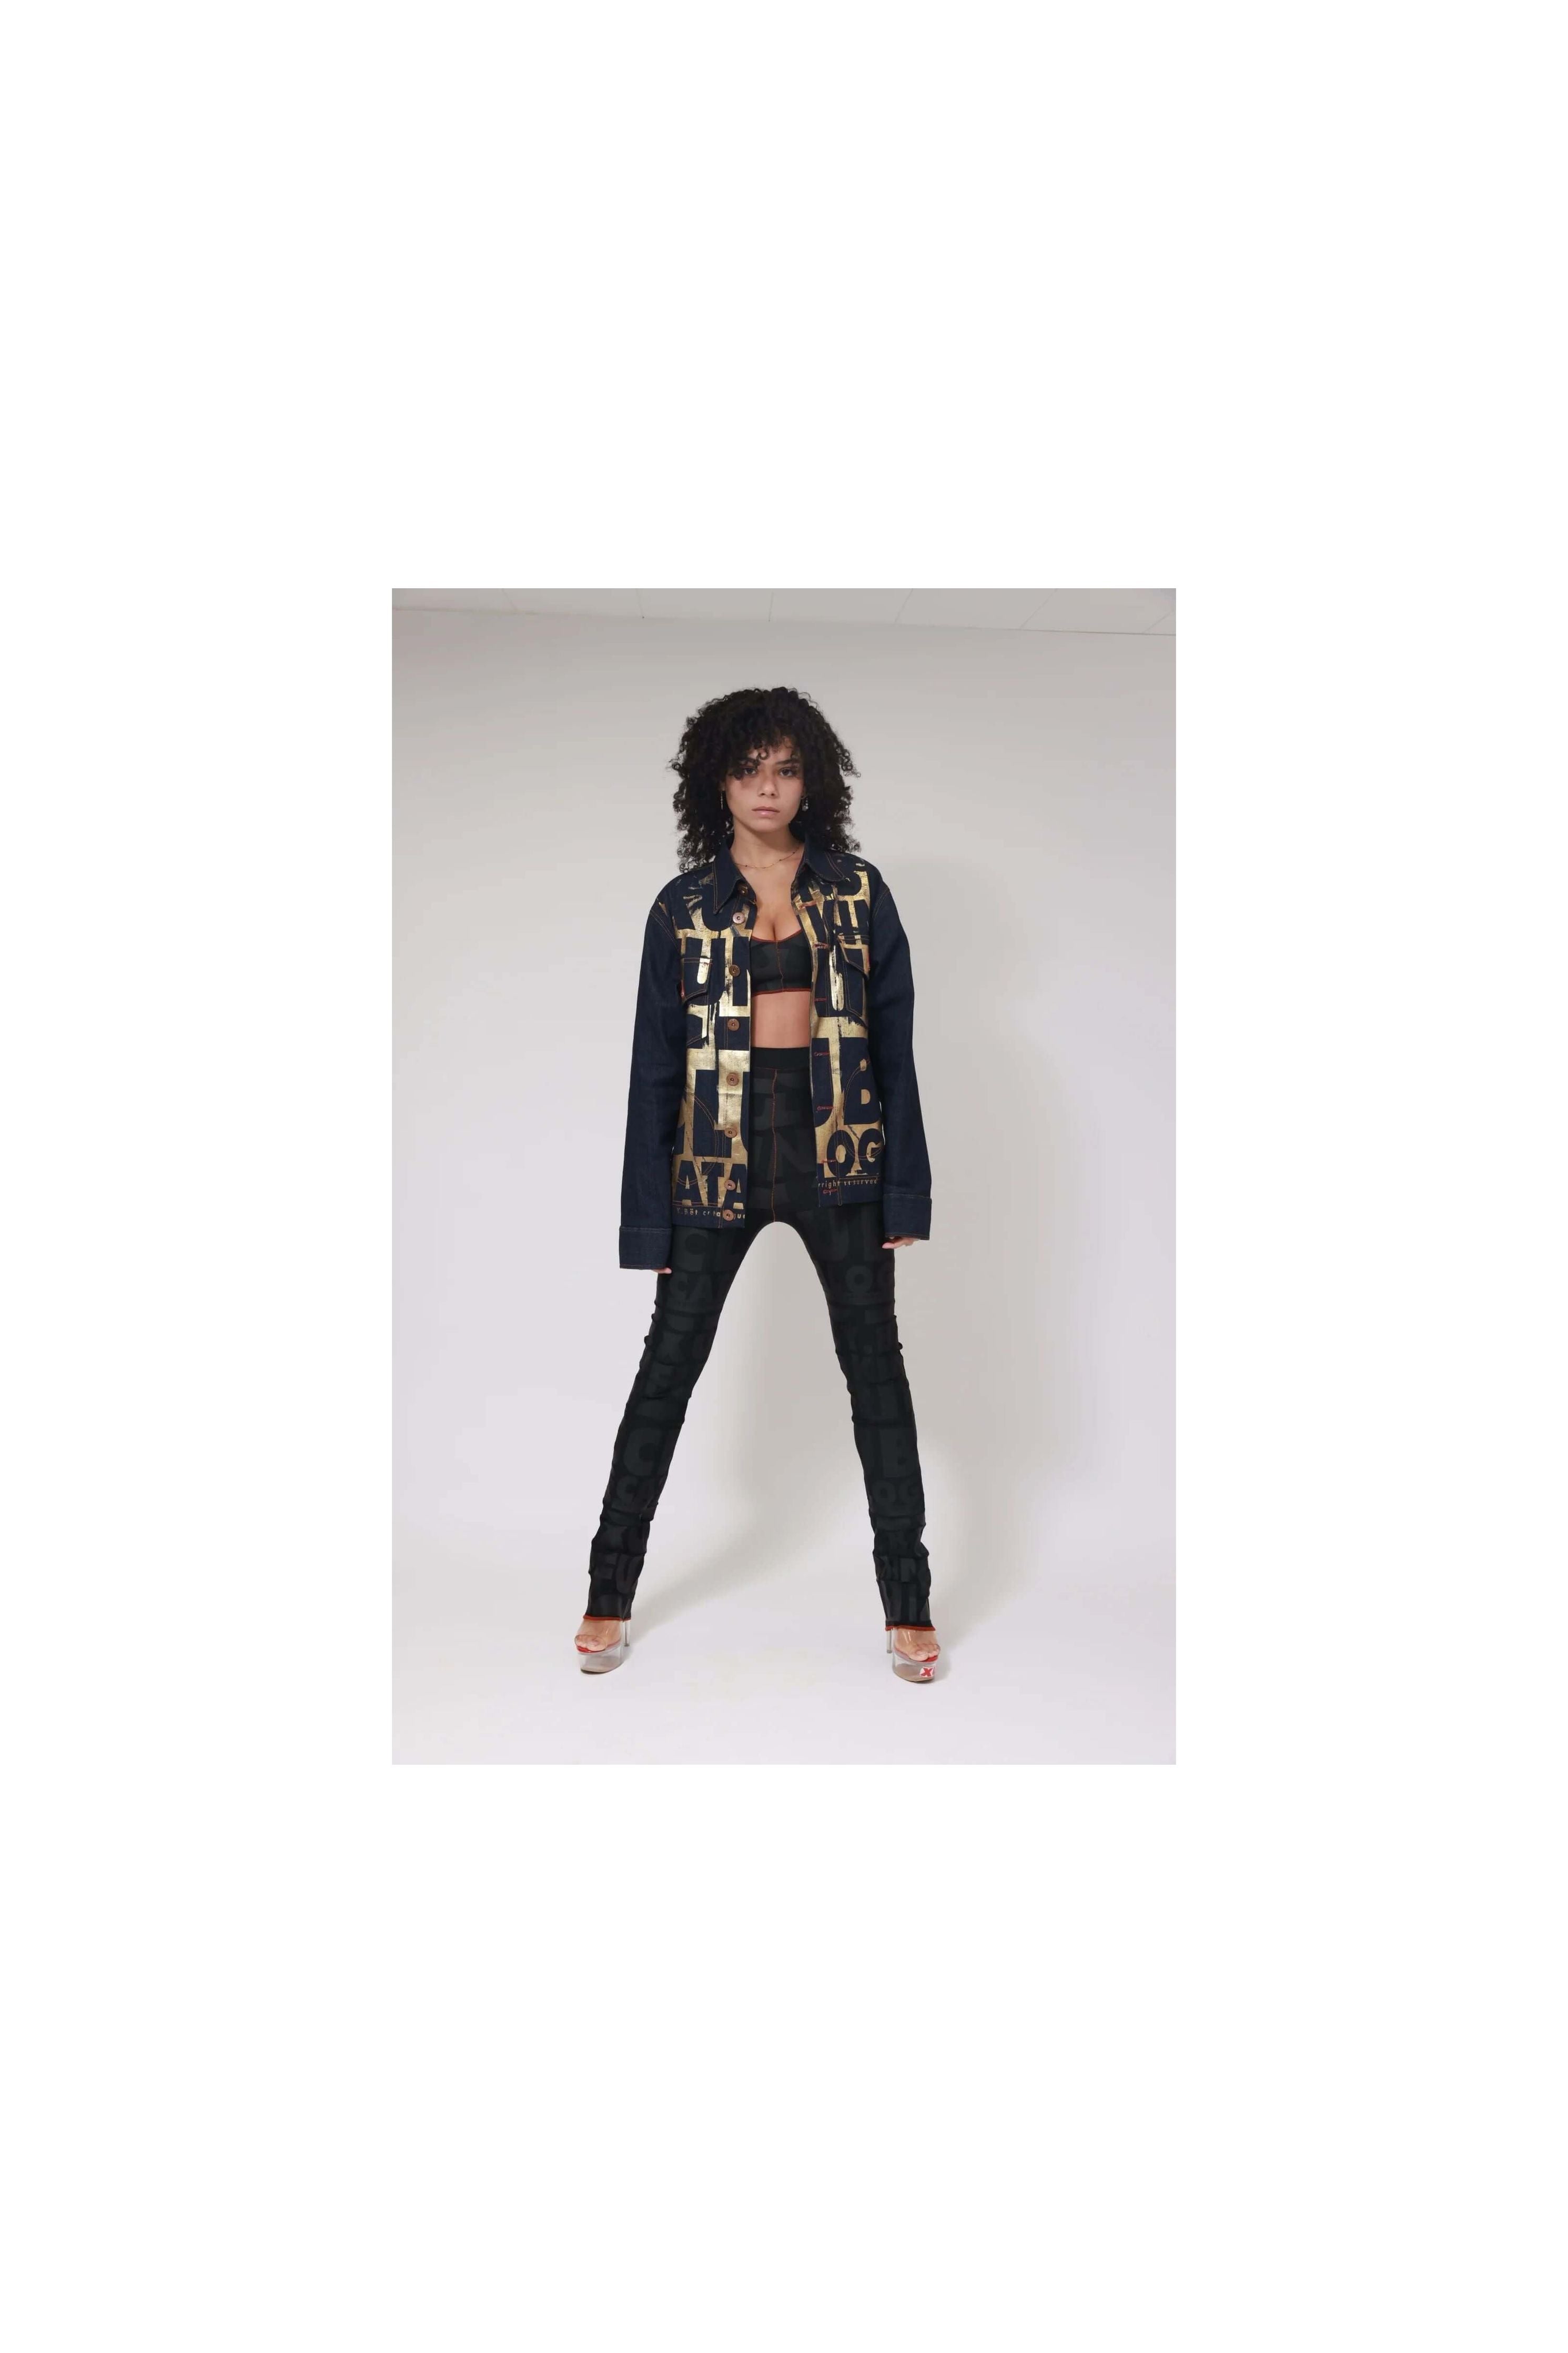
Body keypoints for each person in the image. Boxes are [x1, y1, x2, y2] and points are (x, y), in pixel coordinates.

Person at [576, 686, 941, 1684]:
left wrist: (903, 1192)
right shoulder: (682, 906)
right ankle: (606, 1593)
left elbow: (896, 1049)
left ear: (812, 780)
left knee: (876, 1376)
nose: (767, 789)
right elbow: (655, 1068)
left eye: (784, 770)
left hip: (840, 1151)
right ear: (718, 784)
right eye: (748, 772)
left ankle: (909, 1607)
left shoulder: (858, 892)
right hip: (713, 1157)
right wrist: (646, 1220)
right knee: (666, 1372)